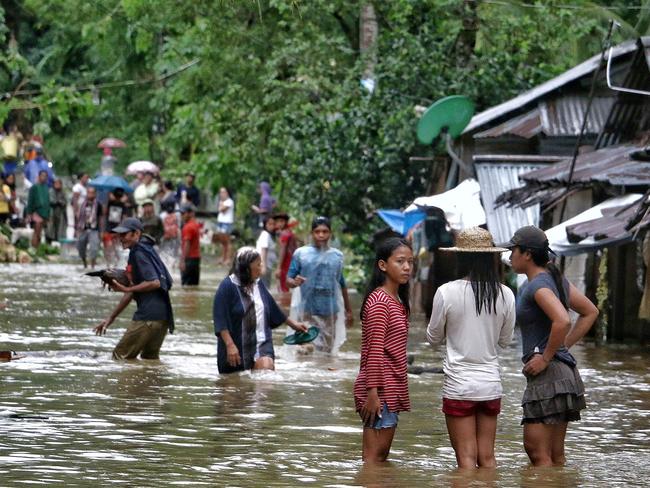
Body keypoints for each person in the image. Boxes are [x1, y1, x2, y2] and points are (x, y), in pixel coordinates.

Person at [500, 225, 598, 467]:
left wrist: (546, 356)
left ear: (527, 254)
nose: (510, 256)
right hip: (563, 373)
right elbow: (590, 312)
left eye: (513, 250)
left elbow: (563, 320)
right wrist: (560, 348)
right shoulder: (555, 279)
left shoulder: (537, 286)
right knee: (555, 456)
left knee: (536, 451)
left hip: (549, 374)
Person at [426, 227, 516, 469]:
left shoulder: (446, 292)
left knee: (466, 459)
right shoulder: (506, 294)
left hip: (460, 385)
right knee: (487, 458)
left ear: (460, 258)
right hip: (490, 384)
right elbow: (505, 341)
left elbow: (433, 338)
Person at [353, 237, 413, 463]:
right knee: (373, 460)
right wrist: (372, 394)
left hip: (388, 387)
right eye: (400, 261)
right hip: (379, 390)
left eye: (410, 262)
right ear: (382, 265)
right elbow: (375, 351)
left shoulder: (396, 300)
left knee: (379, 459)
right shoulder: (380, 301)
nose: (406, 267)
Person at [213, 246, 308, 373]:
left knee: (265, 374)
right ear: (246, 268)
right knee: (234, 387)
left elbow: (272, 307)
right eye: (258, 265)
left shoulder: (258, 284)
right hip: (236, 346)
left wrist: (294, 324)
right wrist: (230, 345)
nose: (261, 268)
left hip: (262, 343)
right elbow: (221, 320)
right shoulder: (227, 287)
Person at [94, 217, 175, 360]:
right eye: (119, 235)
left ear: (136, 234)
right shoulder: (146, 249)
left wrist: (126, 289)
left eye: (124, 234)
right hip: (162, 318)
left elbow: (154, 282)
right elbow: (133, 290)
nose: (120, 238)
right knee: (150, 362)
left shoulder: (138, 253)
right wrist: (111, 318)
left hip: (147, 317)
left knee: (119, 357)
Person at [286, 216, 353, 354]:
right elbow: (289, 280)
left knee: (326, 352)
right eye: (317, 231)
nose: (321, 235)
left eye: (325, 231)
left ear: (330, 233)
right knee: (305, 349)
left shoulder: (337, 256)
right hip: (306, 311)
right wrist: (295, 282)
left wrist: (348, 310)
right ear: (312, 233)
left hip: (330, 312)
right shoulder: (301, 254)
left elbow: (341, 283)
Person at [76, 186, 103, 269]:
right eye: (89, 192)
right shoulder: (82, 204)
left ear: (95, 194)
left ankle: (92, 266)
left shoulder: (98, 204)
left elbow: (101, 218)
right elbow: (78, 217)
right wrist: (77, 229)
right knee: (80, 246)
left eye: (92, 193)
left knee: (94, 248)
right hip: (83, 229)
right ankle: (84, 263)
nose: (90, 194)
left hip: (94, 229)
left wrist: (101, 231)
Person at [25, 170, 50, 248]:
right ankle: (34, 249)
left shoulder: (46, 188)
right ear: (39, 177)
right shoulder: (34, 187)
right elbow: (30, 201)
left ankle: (38, 248)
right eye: (42, 175)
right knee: (36, 231)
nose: (44, 177)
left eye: (45, 176)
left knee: (40, 233)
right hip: (36, 212)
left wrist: (48, 214)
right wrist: (29, 214)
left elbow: (47, 201)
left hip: (44, 213)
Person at [274, 212, 298, 294]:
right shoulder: (290, 233)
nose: (279, 224)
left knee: (284, 290)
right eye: (277, 221)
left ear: (286, 222)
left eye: (282, 221)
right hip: (292, 265)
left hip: (286, 266)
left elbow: (282, 250)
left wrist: (278, 268)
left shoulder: (284, 234)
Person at [180, 203, 201, 285]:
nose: (181, 216)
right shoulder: (195, 224)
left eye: (183, 213)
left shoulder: (187, 227)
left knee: (186, 286)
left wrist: (182, 261)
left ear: (190, 213)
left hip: (189, 260)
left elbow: (187, 244)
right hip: (196, 259)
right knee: (193, 286)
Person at [215, 187, 235, 265]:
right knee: (222, 241)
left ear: (227, 193)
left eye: (223, 192)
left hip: (227, 223)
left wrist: (221, 205)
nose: (221, 194)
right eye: (221, 192)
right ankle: (222, 258)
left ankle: (228, 259)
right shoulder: (222, 201)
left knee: (227, 241)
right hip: (220, 221)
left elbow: (222, 210)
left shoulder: (230, 201)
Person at [255, 215, 276, 287]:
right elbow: (264, 250)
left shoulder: (267, 235)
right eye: (270, 224)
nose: (272, 226)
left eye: (273, 224)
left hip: (267, 265)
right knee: (264, 288)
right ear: (265, 225)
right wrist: (263, 266)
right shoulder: (265, 235)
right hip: (264, 265)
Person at [46, 178, 67, 242]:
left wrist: (60, 202)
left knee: (60, 228)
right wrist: (58, 202)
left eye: (59, 183)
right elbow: (51, 201)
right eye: (56, 183)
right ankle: (49, 241)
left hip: (60, 213)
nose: (57, 185)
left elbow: (65, 202)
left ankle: (58, 241)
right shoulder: (51, 191)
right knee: (50, 228)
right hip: (52, 212)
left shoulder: (63, 192)